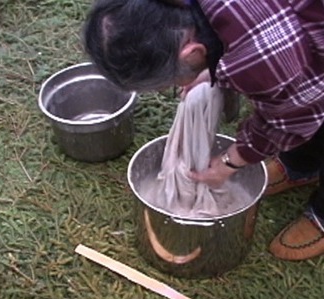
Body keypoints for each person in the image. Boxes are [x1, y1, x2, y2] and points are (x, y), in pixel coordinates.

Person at [83, 0, 324, 261]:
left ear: (193, 53)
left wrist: (232, 161)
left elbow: (291, 118)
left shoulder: (264, 58)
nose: (178, 85)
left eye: (174, 82)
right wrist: (211, 69)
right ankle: (302, 167)